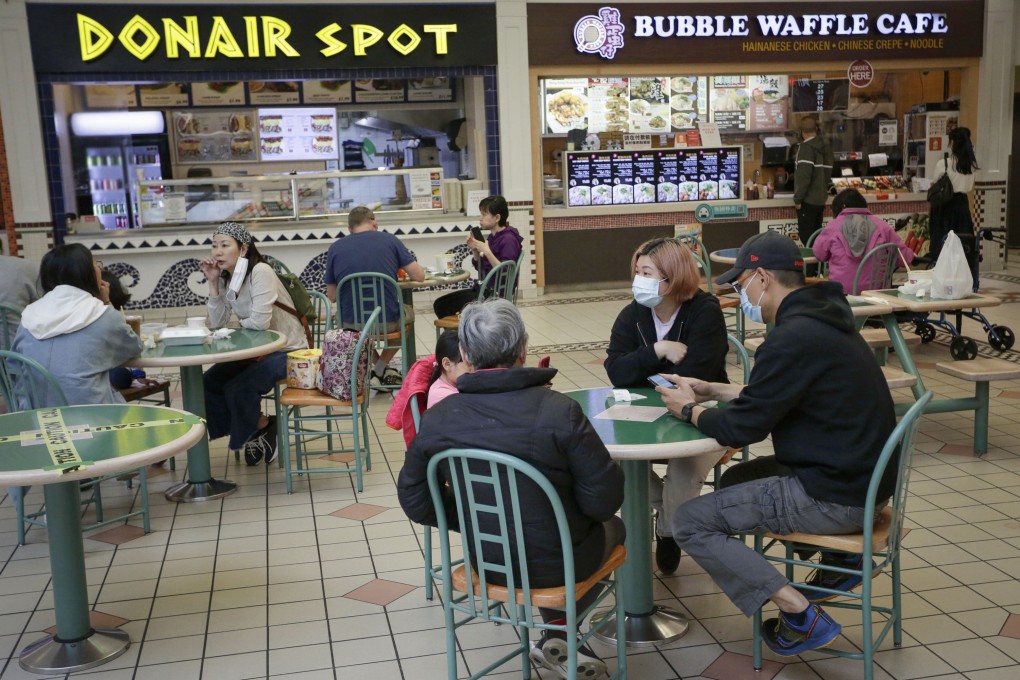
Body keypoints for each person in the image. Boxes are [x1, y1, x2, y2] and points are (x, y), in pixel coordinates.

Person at [655, 231, 896, 658]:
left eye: (741, 283)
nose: (740, 293)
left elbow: (742, 429)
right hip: (862, 480)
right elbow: (781, 393)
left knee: (692, 521)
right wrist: (715, 389)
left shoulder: (790, 338)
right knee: (737, 478)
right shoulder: (825, 321)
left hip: (834, 496)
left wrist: (688, 410)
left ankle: (801, 613)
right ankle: (829, 562)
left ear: (762, 277)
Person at [398, 299, 624, 678]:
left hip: (486, 562)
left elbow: (416, 499)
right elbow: (603, 501)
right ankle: (561, 634)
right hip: (561, 562)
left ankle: (556, 639)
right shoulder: (559, 409)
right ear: (524, 349)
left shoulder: (439, 417)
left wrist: (476, 519)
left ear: (466, 353)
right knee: (617, 527)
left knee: (558, 534)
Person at [604, 236, 728, 575]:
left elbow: (696, 377)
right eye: (637, 271)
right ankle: (669, 514)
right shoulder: (633, 315)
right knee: (615, 463)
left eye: (647, 272)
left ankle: (669, 532)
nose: (638, 280)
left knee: (684, 470)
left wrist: (642, 370)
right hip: (646, 414)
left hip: (702, 414)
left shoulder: (704, 312)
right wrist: (657, 351)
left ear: (672, 278)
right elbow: (616, 370)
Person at [199, 222, 308, 466]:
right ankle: (259, 426)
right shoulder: (230, 277)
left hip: (289, 350)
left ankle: (256, 429)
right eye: (214, 245)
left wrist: (237, 329)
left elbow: (260, 322)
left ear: (244, 248)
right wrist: (214, 283)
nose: (217, 252)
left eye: (225, 245)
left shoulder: (260, 271)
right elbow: (217, 323)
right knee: (209, 382)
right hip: (259, 350)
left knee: (238, 387)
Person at [12, 244, 142, 407]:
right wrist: (107, 302)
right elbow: (134, 347)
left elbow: (13, 366)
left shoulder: (29, 316)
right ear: (88, 273)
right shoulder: (100, 314)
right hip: (89, 417)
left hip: (33, 417)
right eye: (96, 265)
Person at [324, 206, 425, 386]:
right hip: (386, 320)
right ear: (374, 223)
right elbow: (419, 276)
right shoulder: (390, 240)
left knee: (360, 331)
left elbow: (331, 296)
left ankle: (377, 370)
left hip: (350, 324)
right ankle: (379, 369)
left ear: (349, 229)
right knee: (407, 316)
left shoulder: (335, 248)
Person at [431, 195, 523, 319]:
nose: (480, 218)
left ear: (497, 218)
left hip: (494, 294)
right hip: (484, 289)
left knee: (442, 306)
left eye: (484, 215)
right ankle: (463, 335)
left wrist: (487, 251)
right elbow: (482, 268)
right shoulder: (493, 237)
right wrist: (475, 251)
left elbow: (506, 272)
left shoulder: (509, 239)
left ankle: (464, 335)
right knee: (440, 304)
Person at [812, 188, 915, 293]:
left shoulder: (832, 227)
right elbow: (904, 258)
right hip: (877, 294)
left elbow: (819, 254)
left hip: (839, 294)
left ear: (841, 208)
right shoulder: (882, 227)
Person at [928, 126, 978, 270]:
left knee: (942, 245)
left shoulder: (944, 164)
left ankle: (942, 274)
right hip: (963, 206)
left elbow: (934, 185)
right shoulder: (971, 165)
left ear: (952, 143)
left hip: (945, 208)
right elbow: (969, 187)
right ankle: (961, 274)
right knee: (962, 245)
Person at [793, 117, 834, 240]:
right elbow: (826, 173)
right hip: (820, 200)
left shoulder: (805, 148)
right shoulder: (825, 147)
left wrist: (798, 199)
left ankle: (813, 260)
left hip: (808, 201)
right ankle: (818, 260)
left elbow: (804, 177)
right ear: (816, 129)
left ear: (801, 132)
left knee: (807, 239)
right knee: (816, 238)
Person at [426, 329, 467, 408]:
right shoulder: (441, 395)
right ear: (447, 364)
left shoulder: (455, 385)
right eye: (468, 363)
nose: (473, 368)